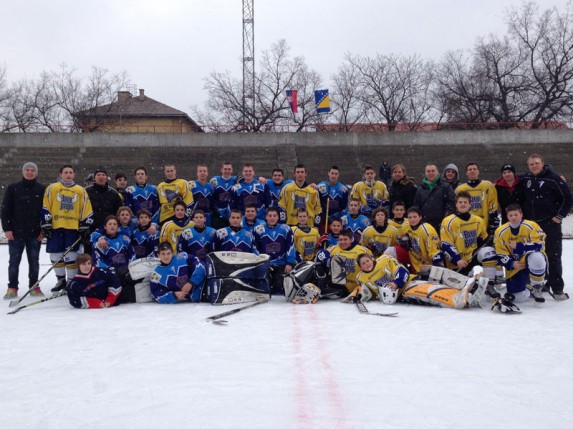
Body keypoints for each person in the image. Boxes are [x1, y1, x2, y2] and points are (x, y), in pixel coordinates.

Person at [520, 154, 572, 300]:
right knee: (531, 254)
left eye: (537, 163)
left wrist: (559, 216)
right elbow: (509, 180)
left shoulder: (554, 179)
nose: (534, 166)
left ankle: (557, 288)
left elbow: (568, 198)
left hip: (550, 224)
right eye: (531, 164)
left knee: (553, 256)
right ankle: (537, 284)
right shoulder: (525, 178)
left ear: (543, 163)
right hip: (531, 225)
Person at [41, 164, 94, 292]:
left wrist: (85, 224)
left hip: (73, 228)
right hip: (56, 227)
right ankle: (61, 281)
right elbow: (46, 205)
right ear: (61, 174)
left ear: (74, 174)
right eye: (66, 172)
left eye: (70, 172)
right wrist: (46, 222)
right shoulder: (52, 188)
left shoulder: (80, 190)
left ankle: (71, 282)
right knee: (56, 255)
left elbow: (86, 208)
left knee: (72, 256)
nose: (68, 175)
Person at [440, 191, 498, 297]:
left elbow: (484, 241)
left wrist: (490, 237)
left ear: (470, 204)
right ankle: (472, 281)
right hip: (457, 263)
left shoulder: (478, 220)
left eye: (465, 202)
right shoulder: (448, 221)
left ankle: (489, 284)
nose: (463, 204)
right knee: (461, 289)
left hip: (472, 258)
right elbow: (446, 244)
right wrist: (457, 259)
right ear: (456, 204)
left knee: (489, 252)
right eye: (460, 202)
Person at [2, 162, 46, 299]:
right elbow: (5, 210)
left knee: (34, 261)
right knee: (14, 262)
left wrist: (43, 230)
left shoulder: (42, 189)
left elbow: (46, 211)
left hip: (35, 233)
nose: (30, 172)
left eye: (33, 170)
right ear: (23, 172)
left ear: (36, 172)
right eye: (27, 169)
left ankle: (34, 286)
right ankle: (12, 287)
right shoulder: (13, 188)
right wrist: (7, 228)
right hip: (16, 233)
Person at [494, 204, 547, 303]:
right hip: (516, 266)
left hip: (530, 260)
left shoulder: (532, 225)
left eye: (516, 214)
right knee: (517, 298)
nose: (513, 217)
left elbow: (539, 245)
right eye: (510, 215)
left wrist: (520, 246)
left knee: (537, 258)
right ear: (507, 216)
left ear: (521, 214)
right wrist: (511, 263)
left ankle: (537, 287)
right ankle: (528, 287)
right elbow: (500, 254)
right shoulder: (500, 231)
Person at [91, 215, 136, 303]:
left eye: (115, 224)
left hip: (126, 272)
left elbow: (132, 254)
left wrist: (130, 267)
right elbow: (97, 261)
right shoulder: (99, 243)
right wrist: (111, 271)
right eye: (110, 224)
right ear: (105, 227)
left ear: (118, 227)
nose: (112, 226)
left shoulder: (125, 239)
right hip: (110, 274)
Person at [253, 207, 295, 294]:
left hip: (281, 264)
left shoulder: (286, 229)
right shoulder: (258, 230)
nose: (272, 218)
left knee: (280, 289)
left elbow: (290, 246)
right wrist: (259, 263)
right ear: (266, 217)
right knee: (264, 289)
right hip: (265, 264)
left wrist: (289, 263)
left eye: (274, 216)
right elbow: (255, 248)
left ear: (278, 217)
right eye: (270, 216)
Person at [324, 229, 372, 295]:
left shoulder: (363, 250)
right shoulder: (332, 249)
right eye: (340, 240)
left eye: (345, 239)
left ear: (351, 240)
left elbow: (372, 267)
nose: (342, 242)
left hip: (358, 288)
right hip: (337, 290)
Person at [455, 163, 499, 234]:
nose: (472, 171)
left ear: (478, 171)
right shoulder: (460, 189)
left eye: (474, 169)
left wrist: (493, 220)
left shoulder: (487, 185)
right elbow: (457, 207)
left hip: (484, 224)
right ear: (466, 173)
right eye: (470, 169)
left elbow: (493, 204)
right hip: (466, 225)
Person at [413, 164, 455, 232]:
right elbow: (416, 206)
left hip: (442, 225)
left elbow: (451, 204)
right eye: (428, 171)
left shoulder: (446, 187)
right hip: (425, 226)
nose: (431, 173)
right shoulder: (420, 189)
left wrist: (446, 219)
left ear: (437, 172)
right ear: (425, 173)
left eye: (433, 171)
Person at [400, 206, 443, 274]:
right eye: (410, 217)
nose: (412, 219)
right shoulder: (405, 227)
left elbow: (435, 251)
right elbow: (401, 239)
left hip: (427, 264)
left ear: (420, 217)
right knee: (393, 250)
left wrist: (437, 268)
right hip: (414, 261)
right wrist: (403, 243)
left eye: (415, 217)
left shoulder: (427, 230)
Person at [85, 167, 123, 233]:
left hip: (109, 228)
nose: (101, 177)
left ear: (106, 178)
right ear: (94, 178)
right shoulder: (86, 192)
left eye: (103, 175)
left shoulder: (114, 194)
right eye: (98, 175)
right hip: (91, 227)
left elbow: (118, 212)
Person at [316, 166, 349, 233]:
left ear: (338, 175)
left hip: (337, 219)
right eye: (332, 173)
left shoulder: (343, 189)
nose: (334, 175)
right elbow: (317, 204)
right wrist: (322, 214)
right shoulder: (320, 186)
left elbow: (345, 206)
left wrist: (339, 214)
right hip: (323, 218)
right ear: (328, 173)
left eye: (336, 174)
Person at [210, 161, 237, 229]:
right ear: (221, 170)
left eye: (229, 169)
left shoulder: (236, 180)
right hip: (218, 213)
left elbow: (249, 178)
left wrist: (258, 178)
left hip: (232, 213)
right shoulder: (214, 180)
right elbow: (211, 197)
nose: (227, 171)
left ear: (232, 170)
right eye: (225, 169)